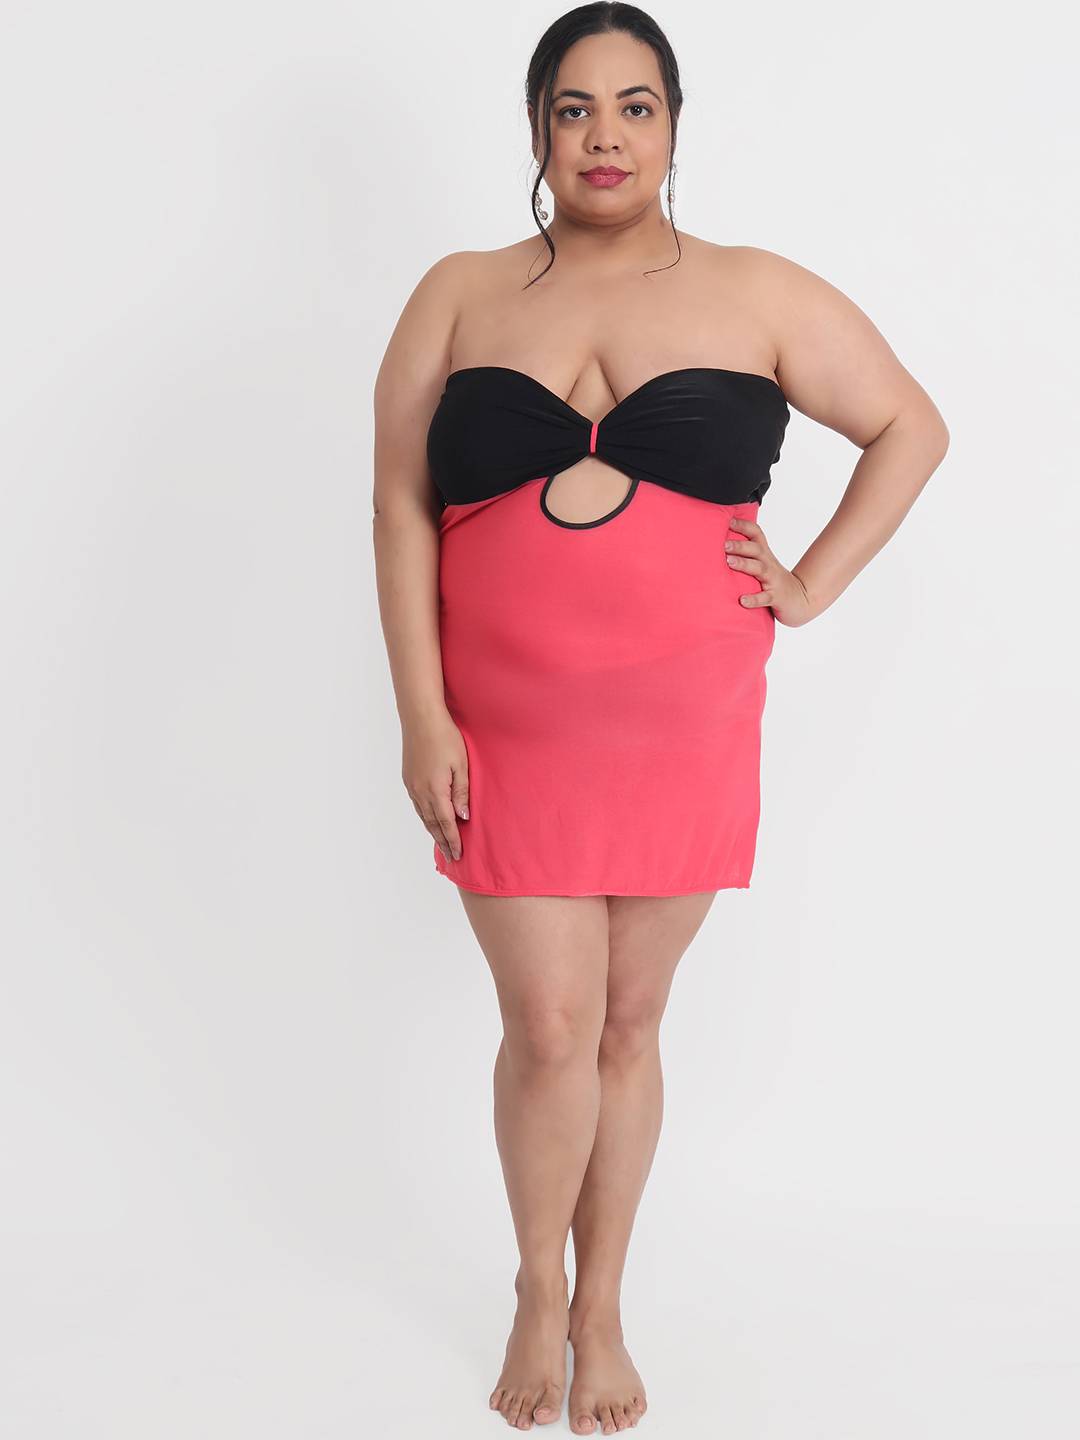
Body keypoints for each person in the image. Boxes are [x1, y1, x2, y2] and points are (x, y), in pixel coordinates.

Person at [372, 4, 949, 1432]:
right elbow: (398, 504)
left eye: (636, 106)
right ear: (536, 129)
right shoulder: (460, 292)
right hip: (504, 724)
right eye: (575, 108)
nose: (606, 136)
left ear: (675, 127)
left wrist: (809, 584)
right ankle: (537, 1287)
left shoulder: (755, 290)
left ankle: (605, 1306)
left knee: (628, 1021)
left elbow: (910, 425)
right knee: (548, 1020)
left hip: (684, 718)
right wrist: (420, 712)